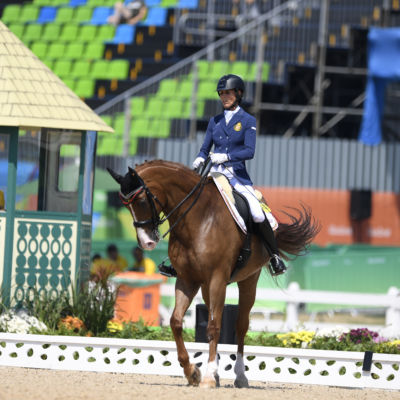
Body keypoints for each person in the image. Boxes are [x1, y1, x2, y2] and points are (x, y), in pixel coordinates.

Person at [192, 74, 287, 276]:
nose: (224, 96)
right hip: (214, 173)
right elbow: (205, 147)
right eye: (221, 93)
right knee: (191, 203)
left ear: (239, 93)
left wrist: (225, 156)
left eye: (228, 92)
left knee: (256, 212)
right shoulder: (214, 121)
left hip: (236, 175)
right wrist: (200, 158)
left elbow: (249, 151)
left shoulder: (248, 120)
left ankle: (275, 256)